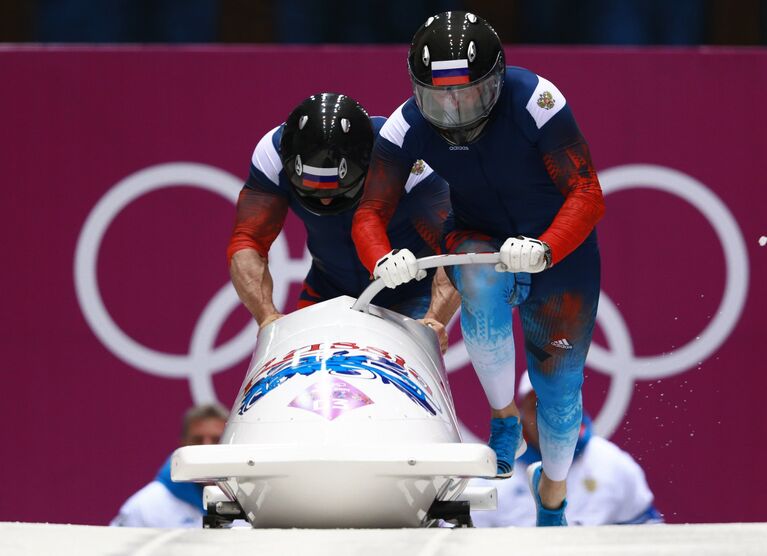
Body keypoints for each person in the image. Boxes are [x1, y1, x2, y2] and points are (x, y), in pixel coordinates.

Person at [351, 11, 605, 526]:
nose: (454, 109)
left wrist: (548, 246)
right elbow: (369, 212)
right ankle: (502, 414)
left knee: (558, 395)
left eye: (469, 94)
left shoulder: (536, 102)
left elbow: (586, 192)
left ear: (496, 81)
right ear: (418, 89)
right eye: (439, 96)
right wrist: (381, 256)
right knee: (480, 280)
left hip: (560, 251)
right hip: (479, 235)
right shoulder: (404, 128)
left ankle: (551, 493)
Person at [227, 92, 458, 350]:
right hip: (327, 291)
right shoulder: (272, 154)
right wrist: (267, 317)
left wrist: (434, 319)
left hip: (412, 295)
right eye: (313, 191)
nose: (325, 201)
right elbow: (248, 242)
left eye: (336, 190)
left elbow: (455, 241)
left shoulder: (399, 152)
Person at [472, 372, 662, 526]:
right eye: (535, 405)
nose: (546, 415)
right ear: (521, 413)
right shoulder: (491, 475)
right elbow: (470, 545)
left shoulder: (614, 465)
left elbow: (649, 539)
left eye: (555, 404)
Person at [110, 403, 228, 528]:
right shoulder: (144, 507)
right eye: (197, 440)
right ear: (182, 444)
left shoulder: (249, 504)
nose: (206, 448)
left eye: (217, 439)